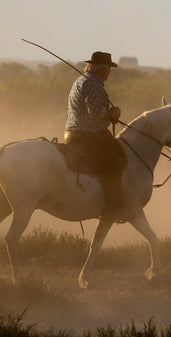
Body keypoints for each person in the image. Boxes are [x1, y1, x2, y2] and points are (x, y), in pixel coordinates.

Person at [63, 51, 129, 221]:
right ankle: (113, 207)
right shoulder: (93, 84)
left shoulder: (82, 80)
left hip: (75, 133)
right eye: (109, 68)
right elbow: (96, 115)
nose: (110, 72)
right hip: (87, 135)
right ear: (103, 68)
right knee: (114, 161)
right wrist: (113, 113)